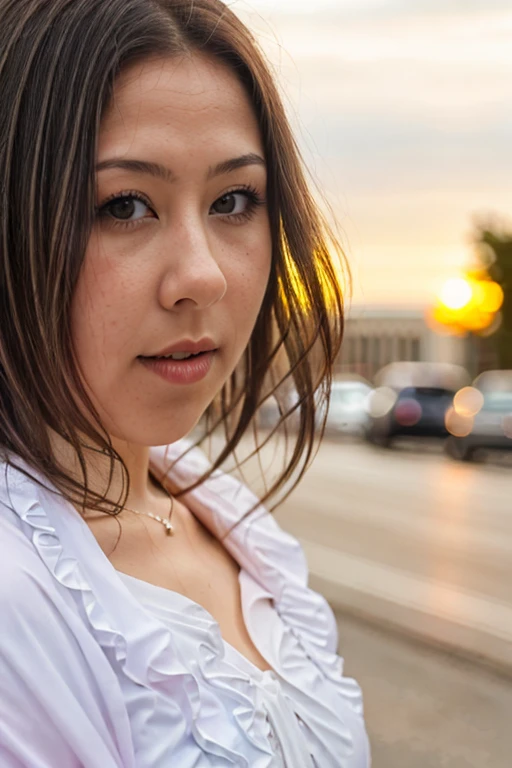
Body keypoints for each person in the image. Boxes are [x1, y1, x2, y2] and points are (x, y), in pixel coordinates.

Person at [0, 0, 370, 765]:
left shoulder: (227, 521)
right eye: (125, 206)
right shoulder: (18, 599)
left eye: (233, 201)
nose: (201, 275)